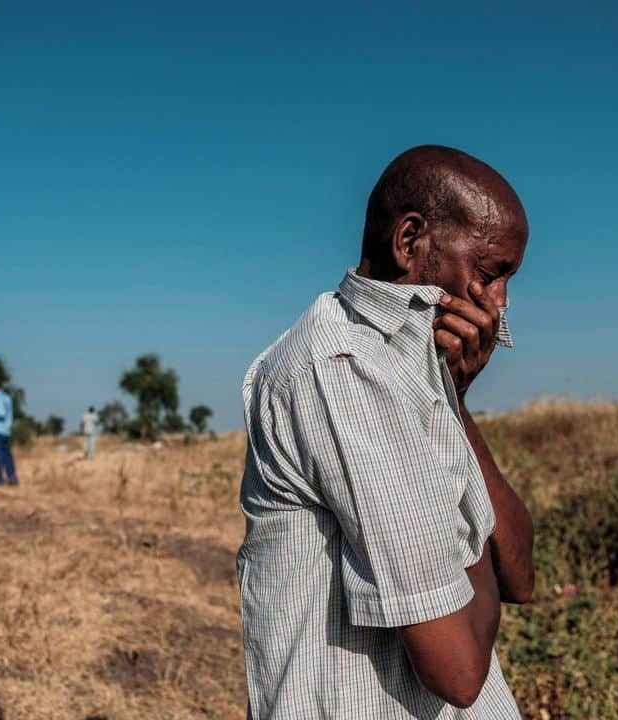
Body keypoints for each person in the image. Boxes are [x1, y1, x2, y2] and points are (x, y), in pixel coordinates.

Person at [236, 145, 535, 718]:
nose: (498, 306)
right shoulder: (345, 370)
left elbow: (519, 576)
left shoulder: (411, 372)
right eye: (490, 273)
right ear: (409, 241)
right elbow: (460, 669)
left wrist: (455, 402)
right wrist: (470, 546)